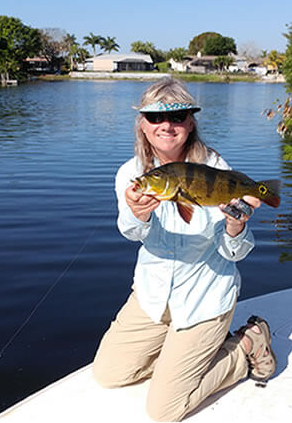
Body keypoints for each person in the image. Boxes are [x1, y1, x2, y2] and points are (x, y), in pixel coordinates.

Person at [92, 78, 276, 421]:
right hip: (152, 294)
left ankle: (248, 343)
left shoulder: (217, 172)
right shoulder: (130, 175)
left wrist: (236, 225)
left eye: (177, 116)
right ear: (142, 125)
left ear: (190, 123)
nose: (167, 125)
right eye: (155, 117)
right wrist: (137, 214)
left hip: (204, 298)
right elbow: (131, 233)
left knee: (164, 410)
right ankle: (177, 357)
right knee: (108, 374)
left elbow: (234, 253)